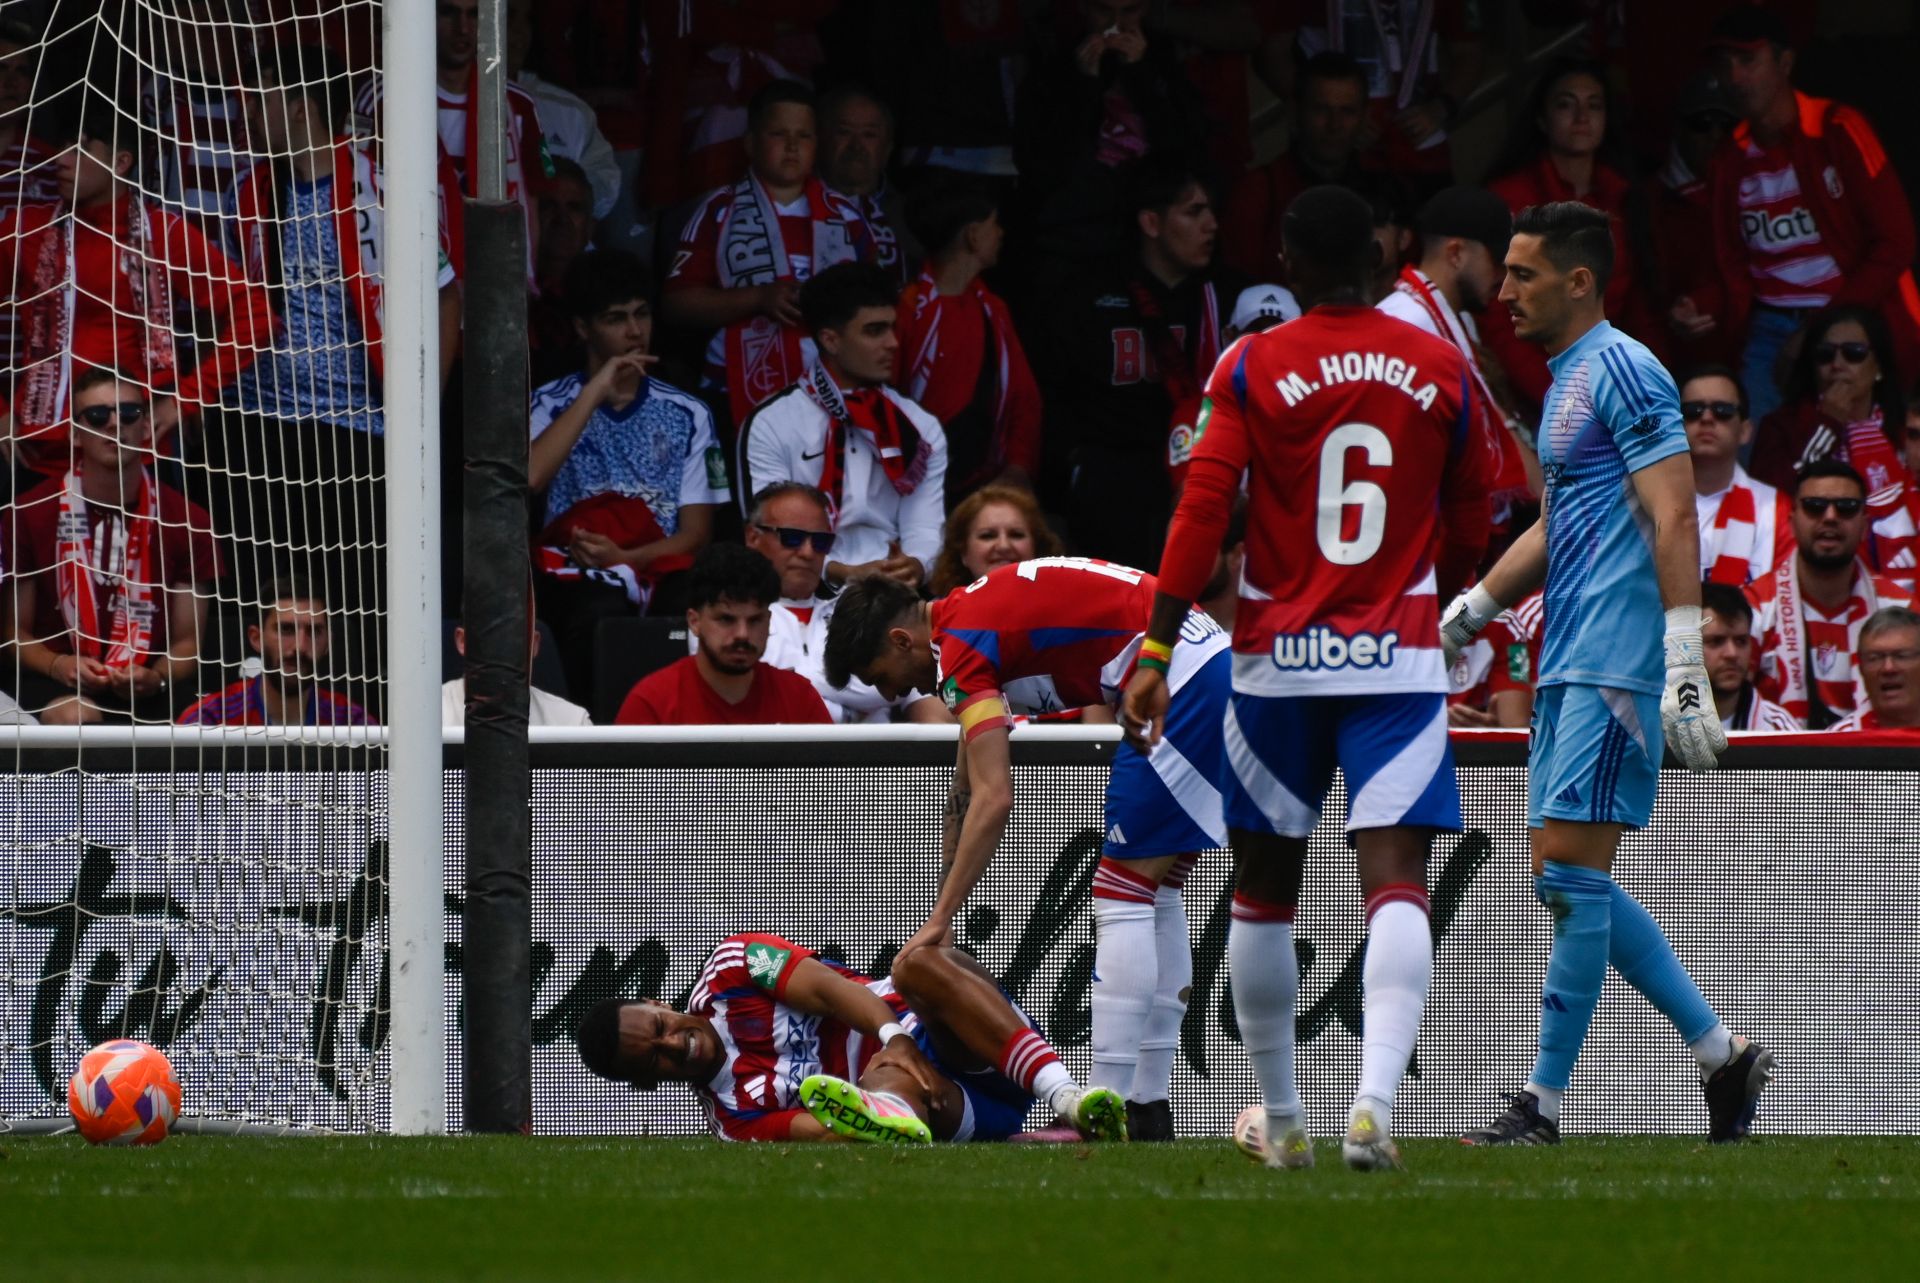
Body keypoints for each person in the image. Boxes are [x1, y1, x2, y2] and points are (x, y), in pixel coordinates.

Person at [1120, 185, 1492, 1170]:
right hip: (1398, 663)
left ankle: (1282, 1119)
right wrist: (1422, 597)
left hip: (1275, 665)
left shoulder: (1250, 361)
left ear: (1286, 259)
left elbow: (1202, 513)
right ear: (1378, 255)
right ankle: (1372, 1104)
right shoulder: (1442, 365)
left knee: (1263, 888)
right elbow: (1474, 514)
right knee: (1397, 884)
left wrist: (1156, 649)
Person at [1439, 201, 1767, 1147]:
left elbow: (1674, 515)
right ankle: (1721, 1055)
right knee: (1560, 873)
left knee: (1570, 879)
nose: (1503, 292)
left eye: (1522, 274)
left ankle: (1540, 1106)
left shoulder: (1624, 367)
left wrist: (1681, 660)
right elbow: (1562, 522)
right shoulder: (1570, 380)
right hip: (1568, 655)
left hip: (1617, 661)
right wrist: (1470, 611)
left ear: (1580, 281)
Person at [826, 556, 1232, 1143]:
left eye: (881, 674)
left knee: (1123, 891)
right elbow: (965, 790)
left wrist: (937, 924)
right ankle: (1147, 1108)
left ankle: (1110, 1106)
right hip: (1202, 666)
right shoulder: (966, 620)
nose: (894, 690)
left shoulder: (959, 645)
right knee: (1155, 890)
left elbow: (996, 797)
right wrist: (943, 903)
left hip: (1184, 679)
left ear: (899, 638)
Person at [221, 41, 463, 610]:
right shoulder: (248, 192)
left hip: (355, 427)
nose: (247, 115)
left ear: (301, 105)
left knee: (351, 600)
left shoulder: (385, 190)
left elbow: (446, 299)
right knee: (260, 597)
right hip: (260, 421)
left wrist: (425, 407)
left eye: (260, 101)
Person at [574, 932, 1127, 1144]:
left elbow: (829, 989)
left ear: (657, 1003)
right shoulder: (735, 1121)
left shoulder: (730, 969)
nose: (673, 1044)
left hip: (961, 1036)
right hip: (945, 1107)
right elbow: (826, 1129)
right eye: (655, 1059)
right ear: (647, 1085)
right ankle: (895, 1103)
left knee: (918, 964)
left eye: (660, 1028)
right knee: (876, 1092)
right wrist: (891, 1083)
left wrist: (895, 1036)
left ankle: (1068, 1097)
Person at [1676, 8, 1920, 423]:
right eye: (1725, 63)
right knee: (1750, 445)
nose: (1734, 77)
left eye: (1748, 61)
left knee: (1868, 451)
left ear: (1785, 63)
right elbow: (1731, 270)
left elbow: (1897, 242)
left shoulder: (1838, 130)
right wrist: (1696, 306)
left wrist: (1817, 329)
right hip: (1770, 327)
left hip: (1852, 315)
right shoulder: (1728, 160)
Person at [0, 90, 274, 450]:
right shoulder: (26, 230)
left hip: (135, 449)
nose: (61, 161)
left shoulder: (162, 234)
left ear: (121, 161)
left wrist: (183, 399)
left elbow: (255, 316)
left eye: (79, 149)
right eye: (62, 147)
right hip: (39, 447)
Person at [529, 249, 727, 701]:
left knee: (687, 608)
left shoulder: (689, 412)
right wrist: (595, 390)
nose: (635, 331)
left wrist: (627, 557)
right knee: (597, 610)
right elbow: (530, 477)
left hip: (661, 565)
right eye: (616, 319)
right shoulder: (548, 403)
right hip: (575, 571)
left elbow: (696, 535)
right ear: (583, 329)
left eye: (642, 315)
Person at [1037, 160, 1240, 571]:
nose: (1212, 224)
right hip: (1112, 483)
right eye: (1194, 211)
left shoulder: (1227, 296)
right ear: (1151, 221)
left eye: (1211, 211)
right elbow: (1058, 394)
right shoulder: (1090, 296)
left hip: (1196, 475)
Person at [5, 370, 221, 725]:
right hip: (52, 679)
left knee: (204, 719)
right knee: (78, 716)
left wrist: (158, 677)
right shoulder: (29, 513)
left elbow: (188, 643)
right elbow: (14, 634)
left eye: (129, 413)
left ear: (148, 428)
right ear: (75, 433)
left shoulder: (188, 518)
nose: (114, 425)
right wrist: (57, 665)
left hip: (146, 681)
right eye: (98, 416)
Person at [663, 80, 876, 428]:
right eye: (778, 133)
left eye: (803, 136)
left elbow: (879, 304)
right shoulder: (719, 212)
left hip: (835, 391)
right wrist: (759, 297)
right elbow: (677, 304)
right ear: (750, 143)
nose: (792, 146)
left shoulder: (848, 218)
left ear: (816, 145)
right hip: (733, 390)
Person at [736, 262, 947, 589]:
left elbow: (925, 528)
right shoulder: (771, 422)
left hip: (893, 591)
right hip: (800, 590)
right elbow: (768, 538)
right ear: (831, 340)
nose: (893, 342)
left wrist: (916, 566)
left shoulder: (918, 426)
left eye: (892, 328)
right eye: (874, 331)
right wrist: (842, 573)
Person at [1481, 57, 1662, 412]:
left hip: (1615, 390)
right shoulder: (1509, 199)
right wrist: (1561, 396)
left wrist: (1648, 385)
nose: (1582, 117)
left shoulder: (1625, 197)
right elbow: (1499, 317)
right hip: (1533, 395)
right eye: (1566, 104)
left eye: (1594, 105)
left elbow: (1642, 304)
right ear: (1541, 119)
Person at [355, 0, 549, 289]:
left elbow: (532, 203)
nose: (463, 29)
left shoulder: (518, 105)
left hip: (496, 286)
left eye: (474, 14)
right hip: (413, 287)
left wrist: (523, 285)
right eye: (448, 13)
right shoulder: (382, 99)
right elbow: (360, 195)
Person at [1377, 184, 1537, 519]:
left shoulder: (1451, 315)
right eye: (1497, 261)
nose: (1503, 279)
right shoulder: (1401, 323)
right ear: (1456, 254)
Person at [1013, 0, 1207, 272]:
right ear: (1083, 8)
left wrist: (1141, 75)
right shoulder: (1053, 66)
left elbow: (1187, 152)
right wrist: (1084, 85)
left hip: (1153, 237)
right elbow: (1042, 163)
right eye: (1104, 10)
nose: (1116, 24)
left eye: (1130, 11)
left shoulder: (1166, 63)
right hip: (1075, 239)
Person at [741, 481, 947, 725]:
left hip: (873, 759)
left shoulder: (859, 610)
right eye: (793, 538)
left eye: (820, 542)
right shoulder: (729, 616)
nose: (808, 552)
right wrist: (850, 712)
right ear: (753, 537)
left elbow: (923, 699)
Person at [896, 181, 1043, 501]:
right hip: (908, 492)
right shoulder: (906, 312)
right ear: (973, 236)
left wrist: (1018, 466)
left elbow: (1023, 397)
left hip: (982, 488)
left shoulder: (993, 310)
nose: (1002, 233)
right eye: (995, 224)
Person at [1744, 459, 1911, 729]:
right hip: (1775, 764)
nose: (1830, 517)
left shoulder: (1901, 608)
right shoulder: (1755, 607)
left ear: (1864, 526)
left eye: (1846, 508)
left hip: (1874, 763)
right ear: (1792, 521)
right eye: (1815, 507)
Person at [1218, 52, 1393, 281]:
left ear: (1365, 117)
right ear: (1295, 112)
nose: (1334, 125)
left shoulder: (1386, 191)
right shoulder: (1257, 193)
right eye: (1321, 109)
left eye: (1347, 111)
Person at [614, 543, 832, 726]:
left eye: (755, 620)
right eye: (726, 619)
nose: (743, 635)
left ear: (768, 621)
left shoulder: (799, 697)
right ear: (694, 621)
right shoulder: (652, 703)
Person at [1748, 305, 1907, 519]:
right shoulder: (1781, 425)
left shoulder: (1904, 429)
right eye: (1825, 354)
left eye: (1853, 353)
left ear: (1878, 366)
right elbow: (1773, 501)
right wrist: (1826, 424)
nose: (1837, 364)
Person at [178, 582, 369, 726]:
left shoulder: (353, 723)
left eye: (314, 632)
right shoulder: (209, 720)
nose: (300, 647)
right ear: (256, 638)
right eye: (286, 629)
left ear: (328, 643)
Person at [506, 0, 621, 222]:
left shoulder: (569, 111)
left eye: (526, 19)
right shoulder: (430, 103)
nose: (520, 32)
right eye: (508, 16)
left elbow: (604, 186)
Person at [1684, 366, 1792, 585]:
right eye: (1693, 410)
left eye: (1722, 410)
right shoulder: (1644, 503)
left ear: (1745, 431)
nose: (1706, 418)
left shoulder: (1777, 509)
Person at [817, 85, 914, 281]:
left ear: (887, 149)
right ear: (820, 141)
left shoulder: (912, 216)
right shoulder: (793, 206)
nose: (856, 146)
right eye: (843, 132)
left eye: (869, 135)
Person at [440, 625, 590, 727]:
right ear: (462, 641)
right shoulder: (424, 720)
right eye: (492, 632)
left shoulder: (573, 722)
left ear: (534, 644)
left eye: (515, 634)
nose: (504, 647)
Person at [928, 487, 1065, 597]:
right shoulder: (937, 620)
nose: (1004, 546)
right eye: (988, 536)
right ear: (963, 552)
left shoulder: (1066, 612)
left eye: (1016, 535)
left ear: (1036, 547)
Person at [1700, 582, 1798, 733]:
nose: (1732, 653)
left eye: (1741, 641)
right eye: (1716, 641)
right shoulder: (1657, 726)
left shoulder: (1780, 731)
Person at [1828, 606, 1920, 732]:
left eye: (1901, 656)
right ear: (1861, 669)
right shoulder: (1836, 742)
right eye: (1874, 658)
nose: (1888, 668)